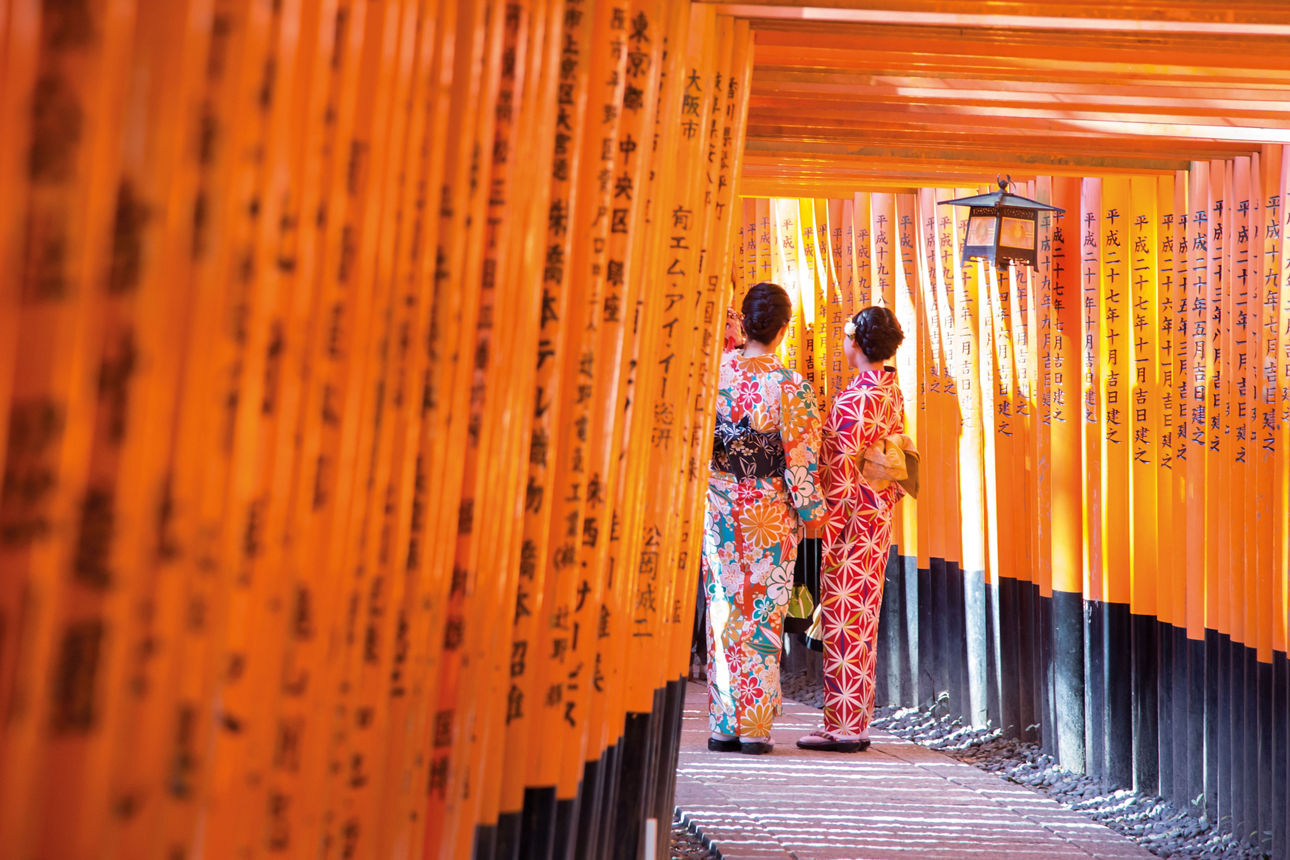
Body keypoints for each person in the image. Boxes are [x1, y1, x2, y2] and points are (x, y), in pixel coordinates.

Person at [702, 282, 824, 755]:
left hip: (720, 507)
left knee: (723, 612)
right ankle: (754, 727)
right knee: (762, 616)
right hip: (769, 513)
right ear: (783, 330)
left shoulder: (714, 376)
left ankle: (723, 724)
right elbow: (801, 458)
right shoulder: (790, 385)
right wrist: (812, 510)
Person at [797, 305, 907, 753]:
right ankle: (855, 722)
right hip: (877, 514)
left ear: (858, 344)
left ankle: (841, 726)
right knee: (863, 620)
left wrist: (825, 523)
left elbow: (839, 470)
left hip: (851, 521)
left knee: (843, 620)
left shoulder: (855, 399)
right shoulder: (889, 389)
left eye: (846, 338)